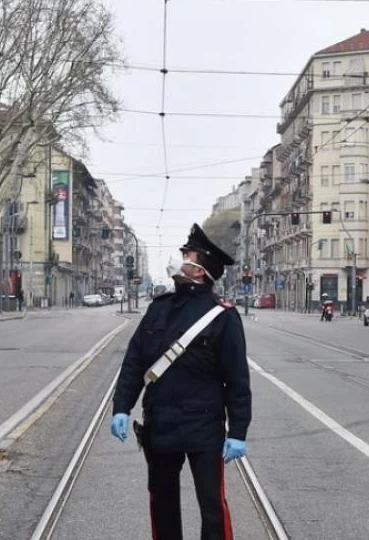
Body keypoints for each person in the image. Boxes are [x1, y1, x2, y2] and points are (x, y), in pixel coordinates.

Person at [111, 223, 251, 540]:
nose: (180, 258)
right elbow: (135, 361)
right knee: (162, 503)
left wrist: (238, 431)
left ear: (200, 270)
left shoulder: (223, 316)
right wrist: (122, 407)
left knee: (212, 506)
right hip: (160, 424)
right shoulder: (159, 309)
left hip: (204, 427)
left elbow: (238, 381)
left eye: (186, 255)